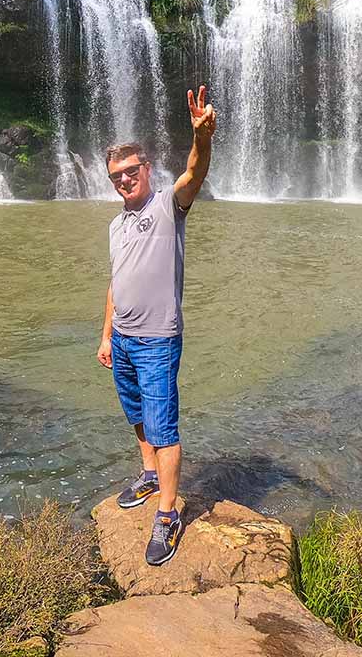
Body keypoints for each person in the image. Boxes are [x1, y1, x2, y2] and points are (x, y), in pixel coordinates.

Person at [96, 84, 216, 566]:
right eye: (116, 177)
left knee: (164, 426)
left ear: (147, 170)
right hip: (123, 339)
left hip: (158, 339)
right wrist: (105, 335)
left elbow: (195, 172)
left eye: (131, 171)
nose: (124, 180)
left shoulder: (168, 205)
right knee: (137, 414)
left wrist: (202, 136)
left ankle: (167, 513)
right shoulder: (115, 225)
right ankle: (148, 475)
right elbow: (115, 280)